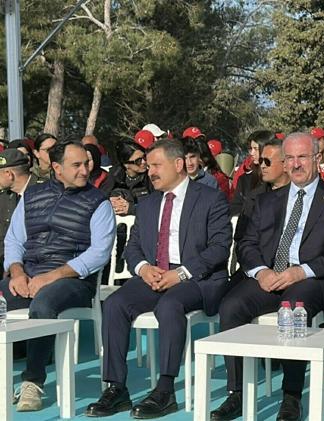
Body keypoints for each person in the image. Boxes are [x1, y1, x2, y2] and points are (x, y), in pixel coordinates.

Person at [211, 132, 324, 421]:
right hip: (271, 276)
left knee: (292, 307)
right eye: (289, 158)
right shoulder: (267, 201)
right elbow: (246, 244)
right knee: (231, 306)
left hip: (314, 280)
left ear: (317, 158)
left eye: (302, 156)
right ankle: (237, 392)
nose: (296, 164)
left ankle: (291, 397)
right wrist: (261, 271)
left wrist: (300, 271)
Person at [87, 140, 231, 418]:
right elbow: (132, 247)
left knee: (169, 305)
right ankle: (116, 388)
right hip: (154, 273)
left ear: (178, 165)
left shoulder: (210, 198)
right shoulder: (148, 203)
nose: (149, 171)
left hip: (196, 277)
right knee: (115, 303)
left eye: (156, 165)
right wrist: (143, 268)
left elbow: (219, 248)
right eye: (148, 165)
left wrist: (181, 273)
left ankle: (165, 390)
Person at [0, 141, 115, 411]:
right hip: (28, 276)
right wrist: (16, 271)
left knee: (43, 304)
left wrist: (51, 277)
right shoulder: (31, 196)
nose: (85, 170)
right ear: (56, 167)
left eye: (86, 163)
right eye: (76, 165)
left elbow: (99, 253)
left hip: (73, 281)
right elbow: (14, 240)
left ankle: (32, 382)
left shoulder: (98, 202)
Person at [234, 138, 291, 243]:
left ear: (285, 164)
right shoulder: (254, 198)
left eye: (267, 162)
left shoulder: (302, 195)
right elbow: (241, 238)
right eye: (261, 161)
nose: (263, 166)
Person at [0, 149, 38, 269]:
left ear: (9, 174)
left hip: (37, 263)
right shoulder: (5, 197)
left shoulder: (44, 192)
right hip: (9, 262)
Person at [230, 130, 273, 215]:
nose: (252, 153)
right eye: (250, 149)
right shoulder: (244, 179)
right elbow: (235, 207)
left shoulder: (277, 179)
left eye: (256, 149)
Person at [110, 141, 153, 216]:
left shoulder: (151, 176)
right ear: (126, 164)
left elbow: (158, 205)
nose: (144, 162)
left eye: (144, 157)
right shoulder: (114, 176)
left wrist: (132, 209)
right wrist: (111, 202)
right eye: (138, 161)